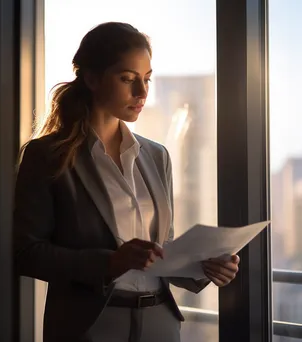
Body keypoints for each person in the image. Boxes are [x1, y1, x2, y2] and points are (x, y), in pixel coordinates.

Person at [14, 22, 240, 342]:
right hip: (90, 325)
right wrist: (110, 263)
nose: (142, 92)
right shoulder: (46, 155)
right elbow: (27, 253)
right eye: (128, 79)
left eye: (147, 79)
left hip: (160, 321)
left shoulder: (157, 156)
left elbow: (160, 251)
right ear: (91, 78)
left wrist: (204, 266)